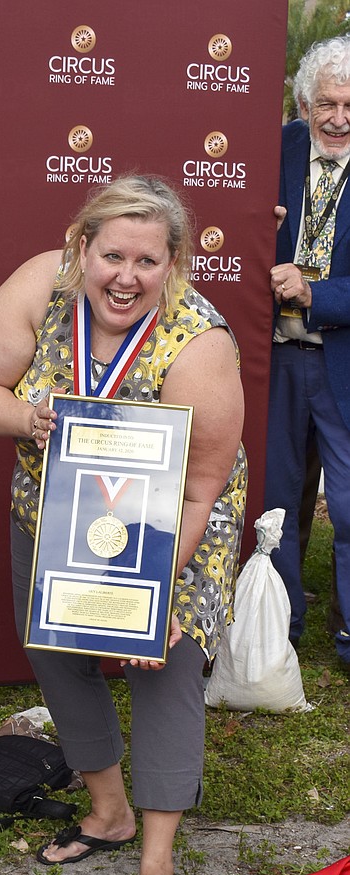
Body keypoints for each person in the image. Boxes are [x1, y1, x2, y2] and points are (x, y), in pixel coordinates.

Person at [0, 175, 246, 875]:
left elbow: (200, 487)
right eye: (113, 255)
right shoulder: (37, 287)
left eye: (148, 262)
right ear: (82, 247)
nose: (127, 277)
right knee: (58, 654)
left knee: (165, 669)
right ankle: (109, 811)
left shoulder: (198, 343)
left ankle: (156, 859)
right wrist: (29, 419)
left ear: (172, 265)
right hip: (53, 512)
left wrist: (145, 595)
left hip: (174, 521)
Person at [266, 35, 350, 665]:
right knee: (278, 494)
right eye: (326, 102)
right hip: (277, 356)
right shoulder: (279, 148)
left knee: (347, 503)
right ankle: (277, 626)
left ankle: (349, 636)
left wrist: (314, 292)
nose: (339, 118)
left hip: (341, 358)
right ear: (302, 104)